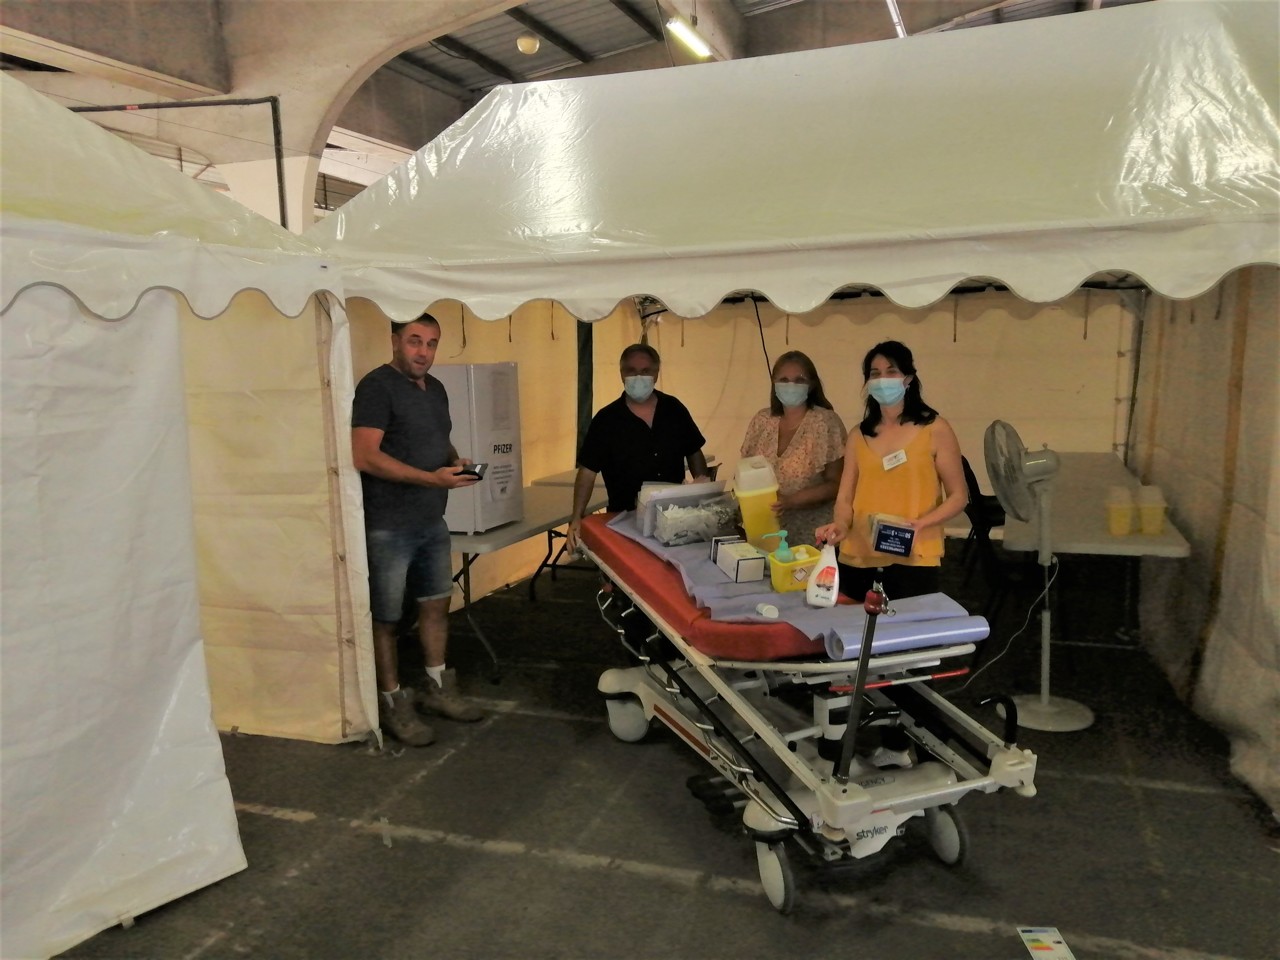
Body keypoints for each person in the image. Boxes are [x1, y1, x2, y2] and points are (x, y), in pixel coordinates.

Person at [351, 312, 486, 747]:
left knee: (434, 605)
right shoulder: (375, 387)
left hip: (431, 518)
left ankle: (437, 688)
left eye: (430, 343)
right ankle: (392, 704)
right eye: (414, 341)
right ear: (393, 341)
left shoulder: (437, 388)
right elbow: (365, 456)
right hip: (388, 524)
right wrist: (432, 479)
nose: (423, 352)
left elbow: (437, 438)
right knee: (386, 618)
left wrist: (455, 462)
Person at [815, 340, 967, 602]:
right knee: (855, 635)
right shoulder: (858, 435)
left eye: (891, 371)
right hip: (858, 555)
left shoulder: (935, 428)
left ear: (908, 378)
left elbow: (958, 496)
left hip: (914, 556)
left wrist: (921, 524)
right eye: (875, 374)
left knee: (905, 638)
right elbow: (845, 498)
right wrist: (840, 524)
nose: (883, 379)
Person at [565, 343, 710, 552]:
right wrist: (577, 517)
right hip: (625, 519)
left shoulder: (674, 409)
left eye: (645, 371)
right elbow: (587, 472)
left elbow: (694, 451)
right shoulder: (606, 420)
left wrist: (703, 496)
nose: (638, 377)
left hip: (675, 515)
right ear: (621, 374)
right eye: (631, 371)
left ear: (656, 373)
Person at [739, 350, 847, 548]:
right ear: (774, 383)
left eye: (799, 380)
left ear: (812, 384)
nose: (791, 386)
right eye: (784, 379)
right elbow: (744, 472)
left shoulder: (825, 422)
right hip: (765, 534)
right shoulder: (762, 421)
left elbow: (837, 483)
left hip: (813, 537)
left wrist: (791, 501)